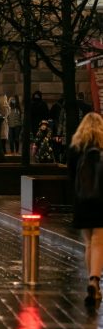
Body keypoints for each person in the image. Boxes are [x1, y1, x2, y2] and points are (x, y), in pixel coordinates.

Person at [67, 112, 103, 304]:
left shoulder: (76, 148)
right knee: (99, 241)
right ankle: (94, 280)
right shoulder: (102, 147)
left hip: (82, 202)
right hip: (101, 201)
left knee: (89, 243)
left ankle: (92, 280)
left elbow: (71, 176)